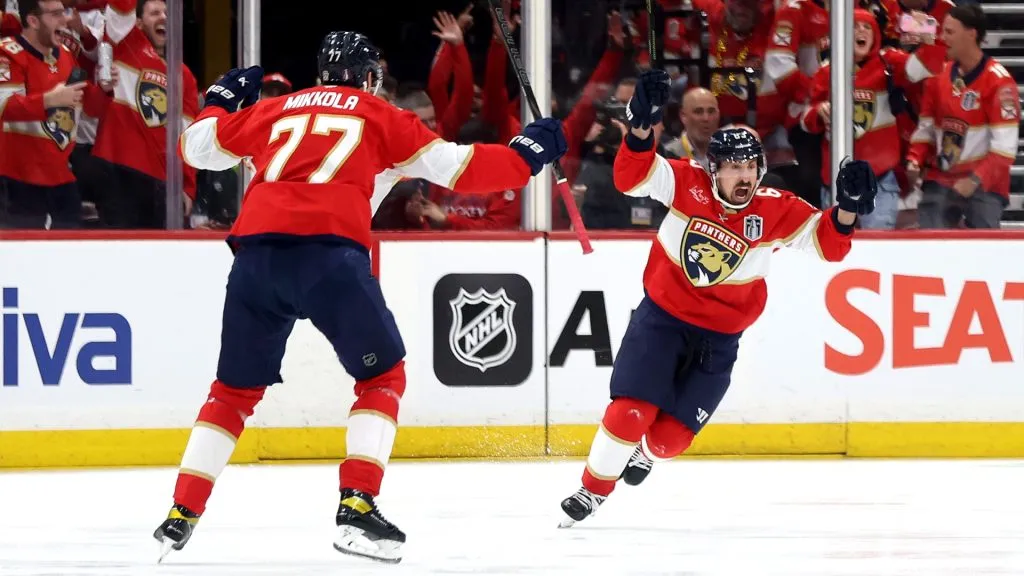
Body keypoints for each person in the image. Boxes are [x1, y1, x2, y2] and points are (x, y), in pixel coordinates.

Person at [155, 31, 566, 564]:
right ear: (370, 77)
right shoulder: (382, 116)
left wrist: (217, 100)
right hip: (329, 255)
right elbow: (459, 168)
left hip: (254, 257)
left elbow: (196, 148)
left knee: (232, 391)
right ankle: (357, 506)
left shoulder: (276, 111)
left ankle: (180, 513)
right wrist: (527, 154)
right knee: (382, 376)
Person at [557, 70, 878, 527]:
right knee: (631, 411)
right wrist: (643, 124)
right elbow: (632, 178)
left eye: (750, 168)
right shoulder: (685, 182)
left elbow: (828, 245)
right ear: (714, 170)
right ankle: (591, 492)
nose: (743, 177)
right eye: (734, 168)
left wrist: (846, 209)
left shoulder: (775, 208)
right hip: (662, 321)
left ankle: (646, 455)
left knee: (669, 441)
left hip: (719, 341)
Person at [907, 4, 1019, 229]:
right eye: (942, 31)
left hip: (984, 183)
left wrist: (974, 180)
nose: (942, 38)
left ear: (972, 34)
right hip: (941, 179)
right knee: (929, 240)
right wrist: (914, 160)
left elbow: (1004, 150)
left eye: (949, 32)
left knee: (984, 244)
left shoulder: (1000, 83)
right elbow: (926, 129)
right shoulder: (938, 76)